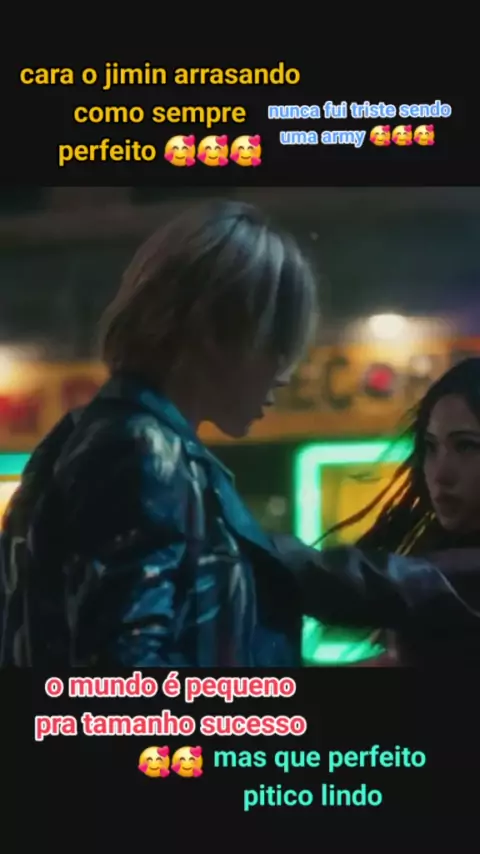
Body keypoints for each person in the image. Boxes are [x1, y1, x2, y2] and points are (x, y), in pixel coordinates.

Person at [1, 200, 480, 668]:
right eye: (279, 344)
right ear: (217, 332)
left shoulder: (117, 442)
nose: (285, 373)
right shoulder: (140, 451)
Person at [320, 357, 480, 664]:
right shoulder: (434, 559)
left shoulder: (448, 573)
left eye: (466, 446)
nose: (440, 474)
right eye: (430, 447)